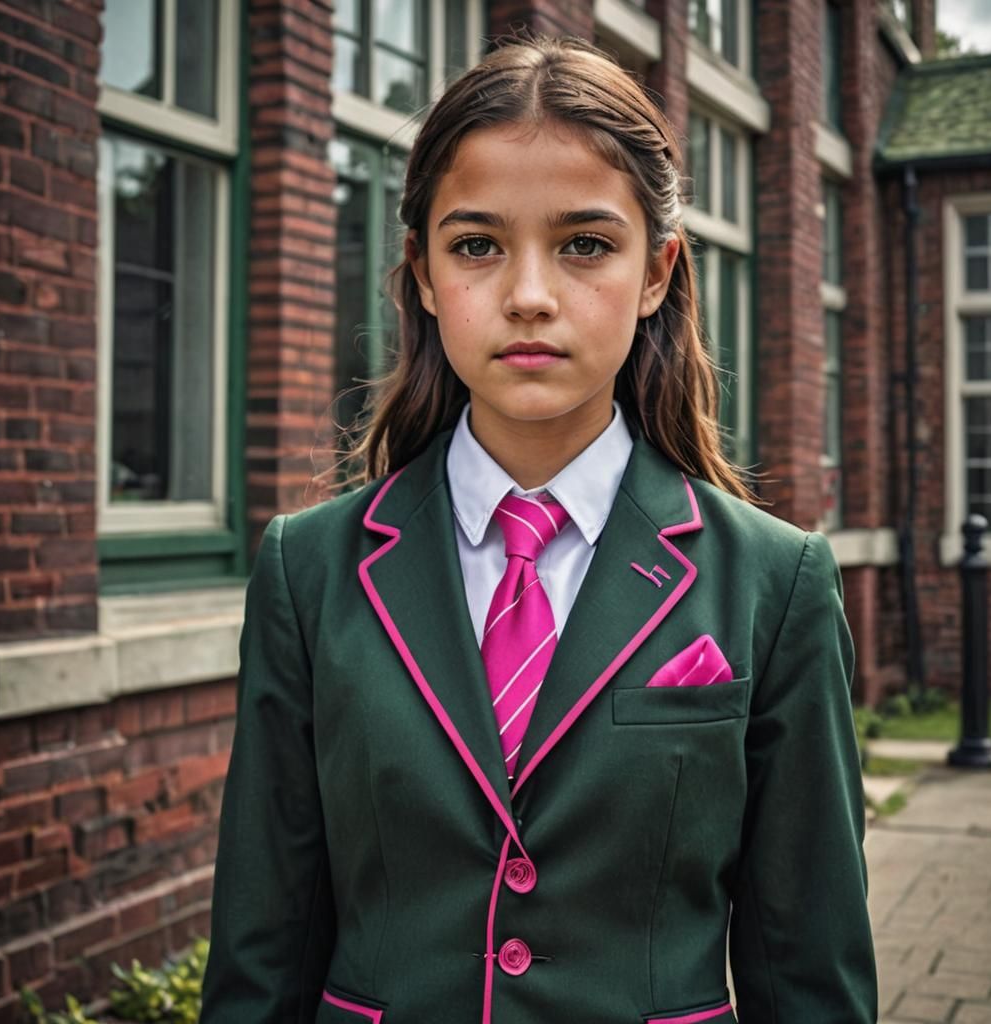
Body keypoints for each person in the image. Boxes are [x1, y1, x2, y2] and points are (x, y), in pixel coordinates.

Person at [201, 34, 877, 1024]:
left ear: (656, 272)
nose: (526, 294)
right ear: (425, 276)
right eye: (476, 244)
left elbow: (807, 963)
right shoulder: (310, 571)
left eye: (585, 244)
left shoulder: (773, 584)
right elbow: (262, 945)